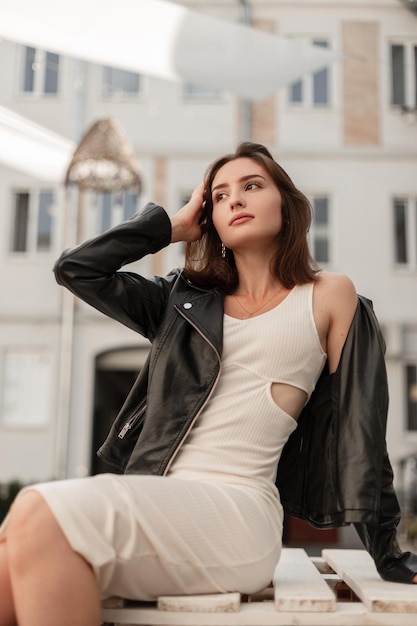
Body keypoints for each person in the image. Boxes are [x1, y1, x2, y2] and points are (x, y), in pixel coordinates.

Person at [0, 142, 416, 626]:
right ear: (208, 217)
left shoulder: (329, 295)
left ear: (286, 203)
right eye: (219, 196)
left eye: (252, 186)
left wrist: (388, 552)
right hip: (159, 503)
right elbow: (76, 269)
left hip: (236, 515)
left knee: (37, 508)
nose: (235, 200)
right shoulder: (181, 301)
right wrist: (167, 229)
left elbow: (361, 428)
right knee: (14, 549)